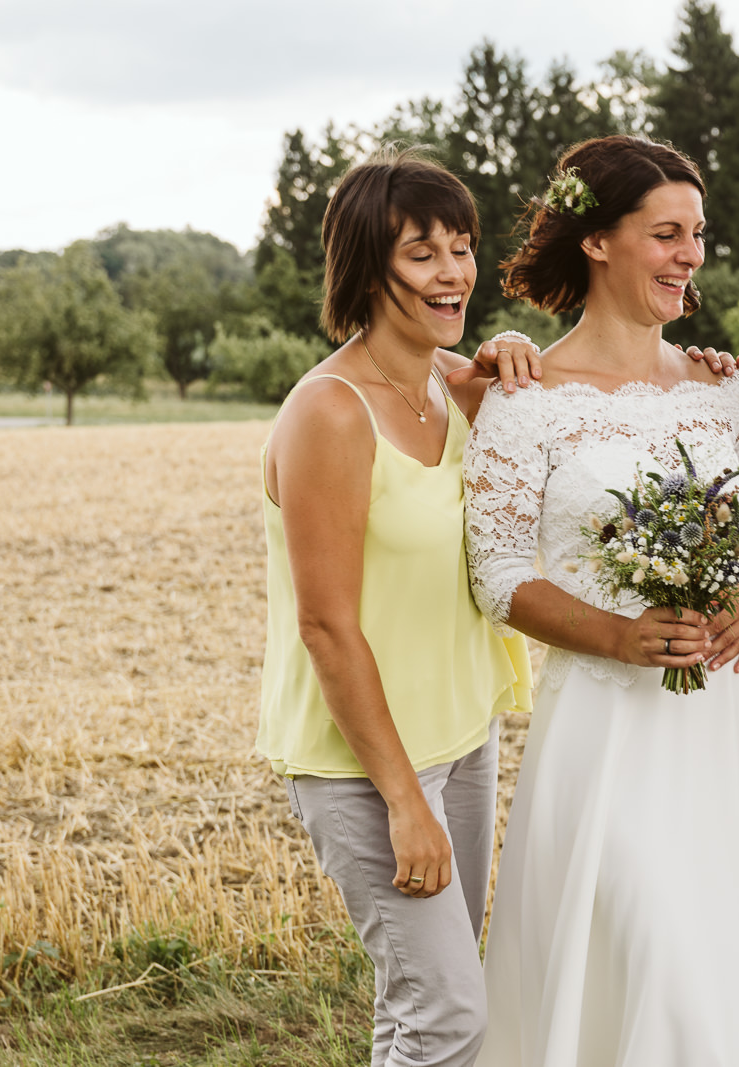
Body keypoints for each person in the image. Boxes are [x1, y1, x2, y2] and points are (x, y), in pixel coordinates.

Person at [463, 135, 739, 1067]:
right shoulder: (525, 397)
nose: (691, 255)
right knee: (653, 941)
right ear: (597, 241)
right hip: (611, 726)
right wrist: (620, 637)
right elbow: (498, 573)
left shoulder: (721, 389)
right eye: (667, 233)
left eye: (697, 234)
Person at [256, 147, 541, 1067]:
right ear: (366, 267)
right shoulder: (329, 413)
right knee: (451, 1015)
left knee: (422, 1004)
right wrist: (401, 800)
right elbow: (326, 625)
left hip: (460, 736)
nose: (452, 271)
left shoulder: (447, 386)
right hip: (366, 764)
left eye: (461, 247)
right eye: (423, 252)